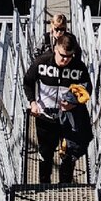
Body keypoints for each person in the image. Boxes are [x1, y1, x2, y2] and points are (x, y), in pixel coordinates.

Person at [23, 32, 93, 185]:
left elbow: (87, 90)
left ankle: (66, 186)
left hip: (68, 119)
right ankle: (44, 185)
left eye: (69, 56)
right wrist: (32, 102)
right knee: (45, 154)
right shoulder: (41, 63)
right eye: (62, 55)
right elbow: (28, 82)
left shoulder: (79, 68)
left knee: (69, 155)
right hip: (45, 118)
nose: (65, 60)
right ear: (55, 48)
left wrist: (73, 104)